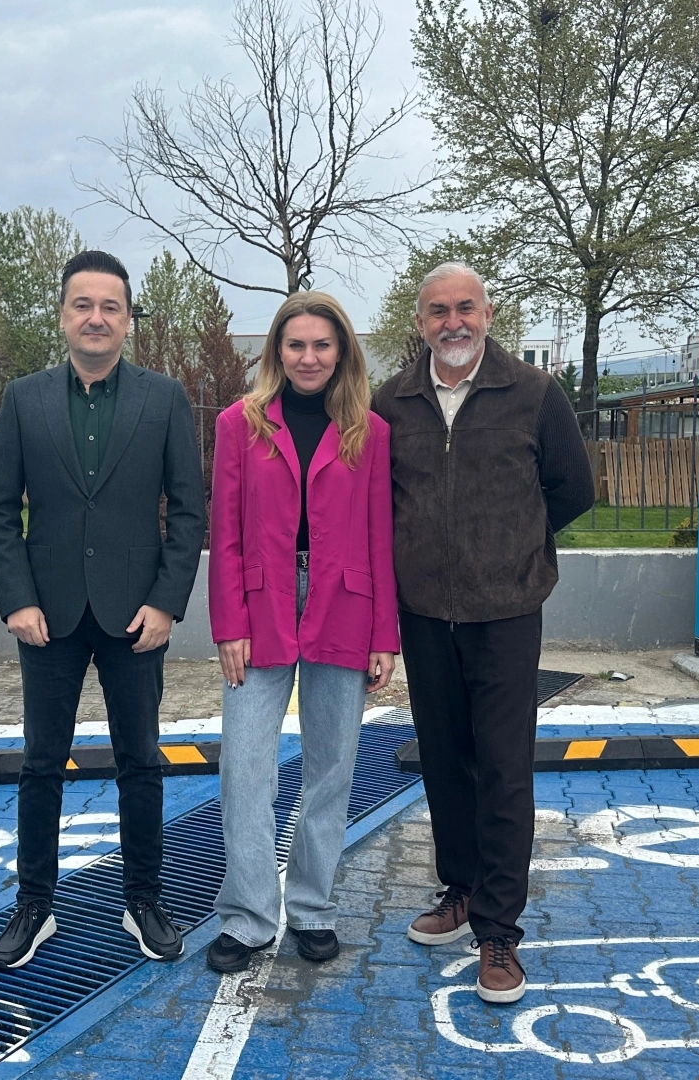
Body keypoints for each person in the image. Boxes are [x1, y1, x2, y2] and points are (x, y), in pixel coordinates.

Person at [371, 263, 592, 1004]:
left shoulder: (534, 394)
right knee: (444, 760)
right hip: (424, 613)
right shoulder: (391, 403)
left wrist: (513, 545)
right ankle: (460, 890)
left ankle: (499, 930)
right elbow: (381, 501)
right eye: (438, 311)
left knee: (503, 768)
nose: (453, 322)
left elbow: (573, 488)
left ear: (489, 314)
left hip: (506, 612)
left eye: (466, 307)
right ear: (420, 322)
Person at [0, 250, 206, 970]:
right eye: (84, 304)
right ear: (62, 316)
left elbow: (189, 512)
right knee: (41, 762)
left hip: (135, 618)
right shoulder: (24, 399)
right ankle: (34, 904)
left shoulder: (164, 399)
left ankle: (144, 899)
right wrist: (16, 600)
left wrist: (166, 603)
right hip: (46, 617)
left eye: (111, 306)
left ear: (129, 320)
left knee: (140, 762)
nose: (97, 318)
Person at [206, 291, 399, 973]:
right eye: (296, 345)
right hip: (261, 604)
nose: (308, 357)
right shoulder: (239, 424)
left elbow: (380, 535)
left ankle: (313, 907)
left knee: (332, 769)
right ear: (276, 351)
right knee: (244, 767)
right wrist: (228, 623)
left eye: (322, 345)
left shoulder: (369, 431)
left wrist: (384, 635)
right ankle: (250, 916)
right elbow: (225, 531)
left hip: (344, 603)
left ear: (341, 352)